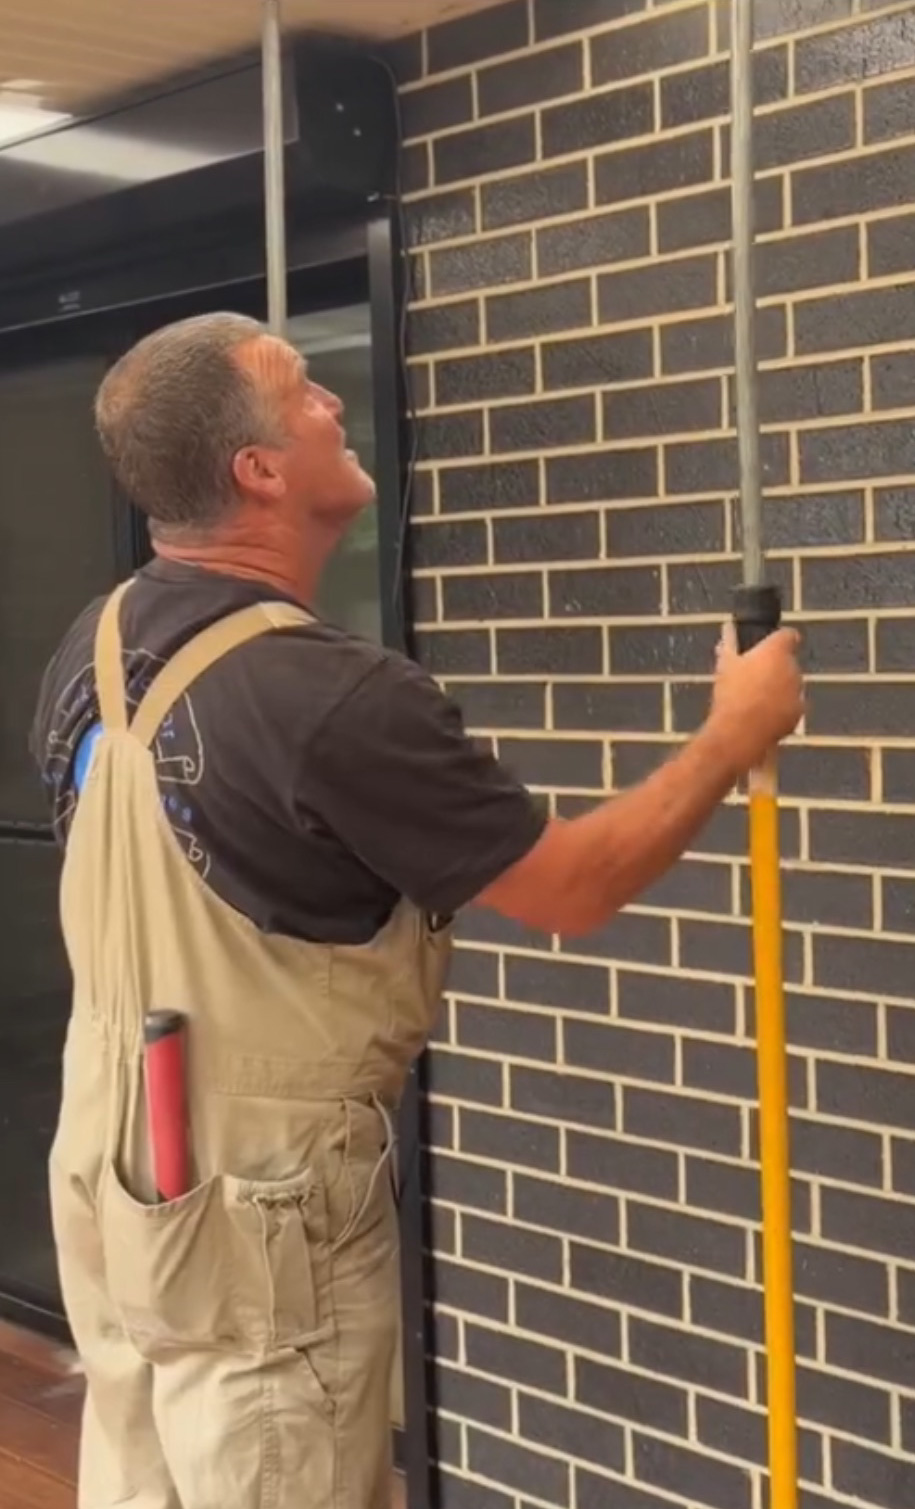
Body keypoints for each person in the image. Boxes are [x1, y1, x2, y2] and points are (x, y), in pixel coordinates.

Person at [29, 311, 803, 1509]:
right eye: (304, 395)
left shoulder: (95, 643)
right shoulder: (333, 698)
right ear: (259, 470)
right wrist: (732, 733)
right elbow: (573, 888)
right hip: (259, 1205)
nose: (334, 403)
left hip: (112, 1159)